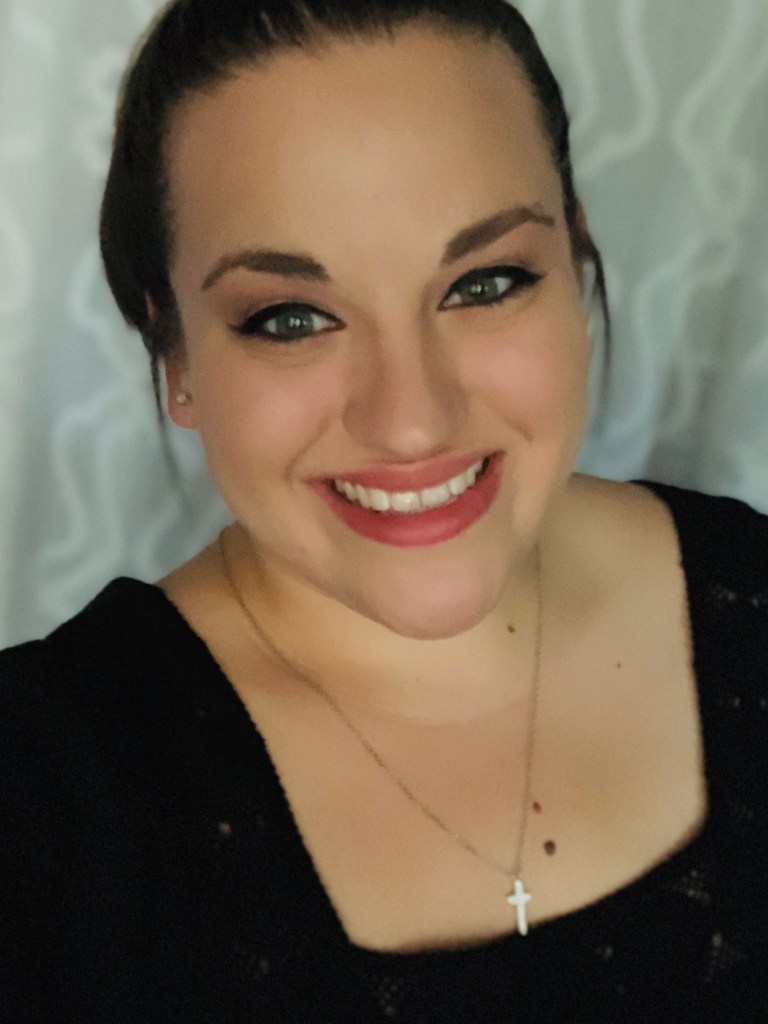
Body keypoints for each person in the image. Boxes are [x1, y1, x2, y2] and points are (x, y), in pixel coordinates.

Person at [1, 0, 766, 1020]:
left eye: (486, 281)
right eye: (291, 317)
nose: (411, 421)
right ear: (174, 353)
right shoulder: (44, 790)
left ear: (574, 269)